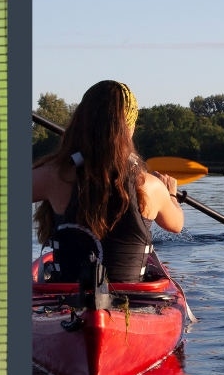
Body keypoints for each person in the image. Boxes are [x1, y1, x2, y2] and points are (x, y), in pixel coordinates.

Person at [32, 80, 184, 285]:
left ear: (80, 122)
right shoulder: (150, 186)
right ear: (130, 127)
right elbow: (176, 225)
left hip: (67, 302)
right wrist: (171, 194)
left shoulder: (54, 176)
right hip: (134, 302)